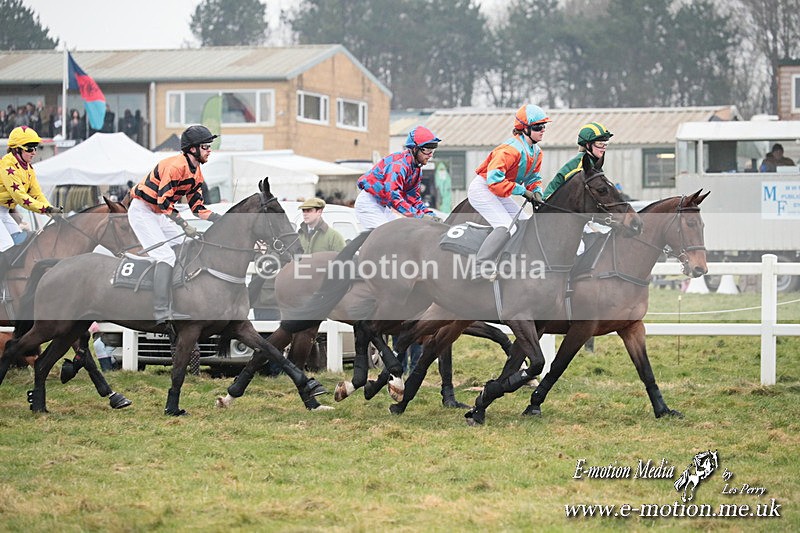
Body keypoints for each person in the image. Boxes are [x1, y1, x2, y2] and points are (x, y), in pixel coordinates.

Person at [127, 124, 221, 325]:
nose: (209, 150)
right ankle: (160, 310)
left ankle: (177, 301)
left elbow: (197, 208)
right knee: (166, 255)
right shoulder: (176, 166)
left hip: (159, 213)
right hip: (143, 211)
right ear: (193, 149)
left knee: (182, 247)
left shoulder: (197, 173)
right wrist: (184, 225)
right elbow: (164, 202)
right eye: (206, 146)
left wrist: (220, 219)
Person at [469, 104, 550, 273]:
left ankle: (510, 260)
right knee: (507, 226)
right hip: (483, 189)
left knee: (524, 223)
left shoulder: (537, 152)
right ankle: (479, 266)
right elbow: (494, 181)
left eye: (544, 126)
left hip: (500, 190)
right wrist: (523, 191)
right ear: (525, 129)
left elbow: (534, 178)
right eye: (538, 127)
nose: (542, 130)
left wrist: (537, 191)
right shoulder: (508, 151)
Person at [0, 126, 61, 274]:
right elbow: (21, 198)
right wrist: (46, 209)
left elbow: (37, 194)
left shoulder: (28, 169)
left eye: (35, 147)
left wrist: (52, 212)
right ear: (16, 150)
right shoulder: (7, 166)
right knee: (7, 246)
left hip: (3, 211)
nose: (34, 152)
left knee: (20, 242)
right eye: (29, 148)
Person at [354, 125, 441, 229]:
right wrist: (420, 216)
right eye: (427, 150)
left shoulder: (416, 169)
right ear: (414, 149)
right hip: (369, 204)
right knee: (387, 237)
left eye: (433, 151)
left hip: (384, 206)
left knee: (402, 233)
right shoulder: (399, 166)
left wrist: (431, 216)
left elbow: (413, 199)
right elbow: (393, 196)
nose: (430, 155)